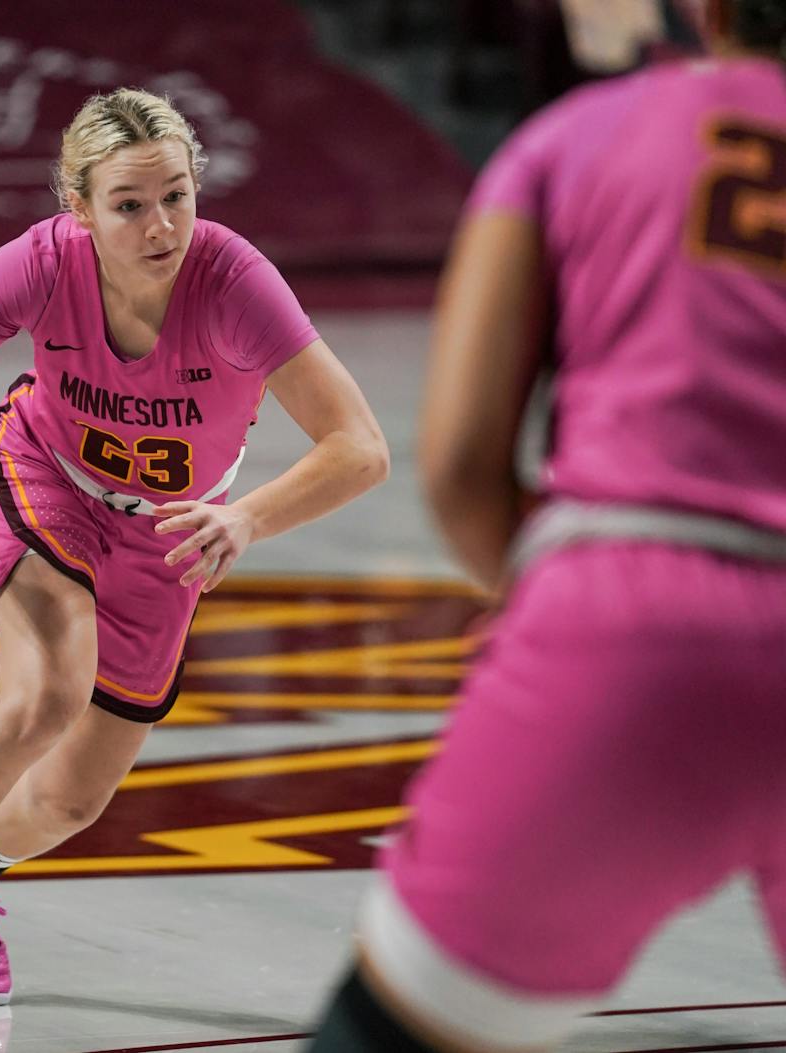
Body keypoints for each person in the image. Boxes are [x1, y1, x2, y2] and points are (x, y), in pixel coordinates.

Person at [0, 87, 391, 1007]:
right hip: (49, 480)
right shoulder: (41, 265)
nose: (160, 224)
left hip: (173, 530)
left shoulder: (235, 283)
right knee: (45, 694)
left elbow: (360, 446)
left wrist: (245, 517)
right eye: (129, 204)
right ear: (78, 209)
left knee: (73, 798)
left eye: (177, 196)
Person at [305, 1, 786, 1049]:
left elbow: (465, 467)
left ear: (703, 11)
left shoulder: (575, 135)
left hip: (636, 618)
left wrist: (555, 614)